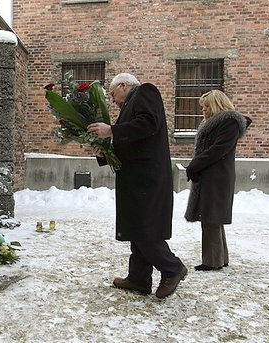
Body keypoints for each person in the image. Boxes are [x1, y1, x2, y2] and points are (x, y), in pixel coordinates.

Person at [87, 73, 187, 298]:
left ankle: (172, 268)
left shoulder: (145, 91)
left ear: (124, 85)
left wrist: (111, 130)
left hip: (146, 178)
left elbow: (148, 124)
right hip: (137, 178)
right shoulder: (130, 104)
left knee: (145, 229)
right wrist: (105, 153)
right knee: (136, 226)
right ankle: (139, 278)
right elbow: (134, 140)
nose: (113, 100)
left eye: (113, 94)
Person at [184, 90, 252, 271]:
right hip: (212, 174)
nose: (204, 110)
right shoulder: (220, 123)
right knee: (212, 217)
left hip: (217, 176)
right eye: (203, 106)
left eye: (207, 106)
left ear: (217, 105)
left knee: (211, 217)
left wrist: (195, 165)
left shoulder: (228, 123)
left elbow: (216, 150)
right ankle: (220, 258)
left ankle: (212, 261)